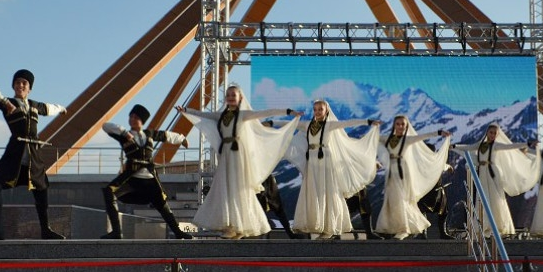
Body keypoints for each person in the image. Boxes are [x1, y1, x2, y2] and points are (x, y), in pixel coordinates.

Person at [179, 85, 301, 239]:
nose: (230, 97)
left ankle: (239, 226)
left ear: (240, 98)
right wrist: (186, 110)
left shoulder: (244, 115)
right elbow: (204, 115)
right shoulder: (221, 115)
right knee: (225, 189)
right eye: (228, 94)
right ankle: (230, 226)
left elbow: (265, 112)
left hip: (238, 156)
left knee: (239, 189)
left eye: (234, 95)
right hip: (226, 156)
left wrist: (289, 112)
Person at [0, 69, 67, 240]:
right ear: (13, 86)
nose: (20, 85)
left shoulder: (35, 105)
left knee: (41, 190)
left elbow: (51, 108)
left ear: (29, 88)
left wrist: (62, 108)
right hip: (15, 154)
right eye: (17, 82)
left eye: (24, 83)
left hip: (33, 155)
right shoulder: (6, 103)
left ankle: (46, 230)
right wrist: (5, 101)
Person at [284, 99, 380, 239]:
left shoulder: (329, 125)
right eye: (315, 109)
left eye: (320, 109)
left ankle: (328, 229)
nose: (317, 112)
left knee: (326, 192)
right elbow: (291, 125)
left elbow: (348, 123)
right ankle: (318, 225)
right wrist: (272, 124)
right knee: (313, 192)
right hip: (312, 162)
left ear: (326, 110)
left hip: (325, 161)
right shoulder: (307, 125)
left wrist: (368, 122)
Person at [100, 104, 195, 239]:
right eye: (131, 116)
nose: (132, 119)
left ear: (142, 121)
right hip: (131, 177)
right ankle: (116, 232)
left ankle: (178, 232)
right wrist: (123, 131)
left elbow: (167, 135)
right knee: (109, 191)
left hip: (149, 177)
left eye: (136, 117)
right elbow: (105, 126)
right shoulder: (123, 136)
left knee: (161, 203)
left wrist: (182, 139)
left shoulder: (149, 134)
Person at [451, 123, 538, 238]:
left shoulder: (496, 145)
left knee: (496, 198)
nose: (492, 135)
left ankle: (498, 225)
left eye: (494, 133)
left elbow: (510, 146)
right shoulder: (481, 144)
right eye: (491, 132)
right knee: (483, 198)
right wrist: (454, 146)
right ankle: (484, 225)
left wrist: (526, 144)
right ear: (487, 132)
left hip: (493, 174)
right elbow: (468, 148)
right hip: (483, 174)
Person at [375, 115, 451, 239]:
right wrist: (374, 128)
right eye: (398, 124)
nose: (400, 126)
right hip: (391, 173)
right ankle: (390, 227)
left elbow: (423, 136)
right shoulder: (387, 139)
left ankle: (404, 229)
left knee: (401, 199)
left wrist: (439, 133)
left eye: (402, 124)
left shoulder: (408, 140)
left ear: (406, 127)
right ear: (394, 125)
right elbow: (374, 139)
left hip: (403, 172)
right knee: (390, 200)